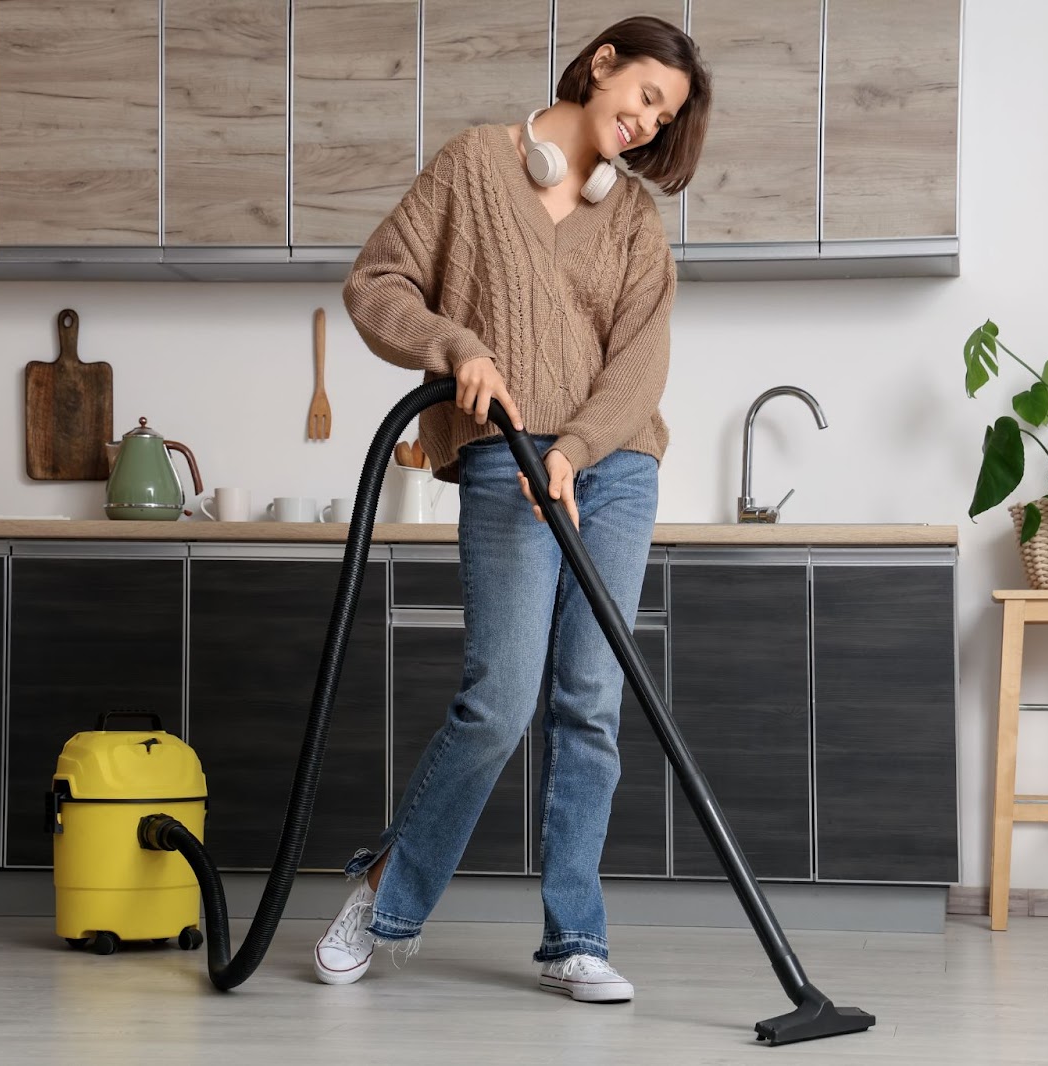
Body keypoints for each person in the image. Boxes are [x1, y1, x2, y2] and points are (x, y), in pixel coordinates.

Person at [316, 15, 712, 1004]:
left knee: (592, 702)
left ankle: (575, 935)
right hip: (504, 457)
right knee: (497, 700)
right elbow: (375, 284)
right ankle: (382, 894)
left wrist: (577, 451)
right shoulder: (472, 166)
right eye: (644, 94)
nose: (644, 122)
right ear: (603, 62)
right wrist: (455, 346)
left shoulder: (631, 222)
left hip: (611, 470)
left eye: (662, 117)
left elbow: (639, 366)